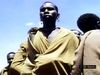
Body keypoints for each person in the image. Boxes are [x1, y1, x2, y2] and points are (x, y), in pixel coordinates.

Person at [11, 1, 79, 75]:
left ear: (58, 15)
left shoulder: (69, 35)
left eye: (50, 9)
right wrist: (28, 73)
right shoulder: (32, 38)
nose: (46, 11)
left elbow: (80, 62)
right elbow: (15, 65)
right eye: (42, 10)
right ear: (40, 16)